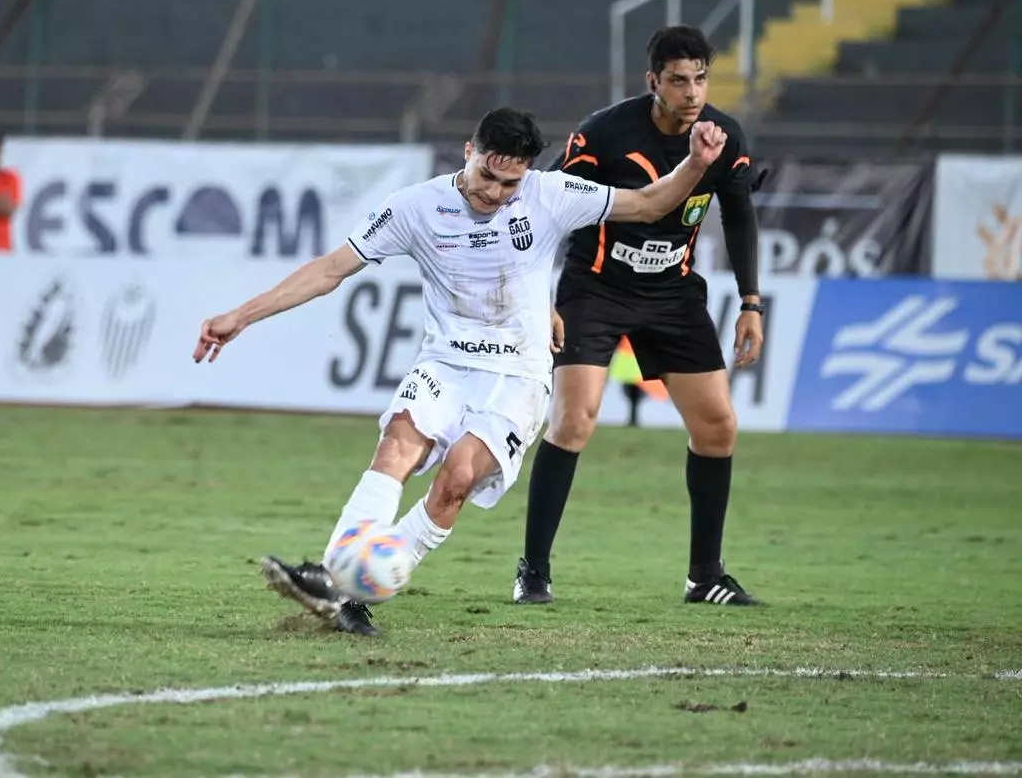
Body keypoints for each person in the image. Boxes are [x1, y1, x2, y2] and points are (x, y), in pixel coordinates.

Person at [193, 106, 728, 636]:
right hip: (446, 361)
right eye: (487, 176)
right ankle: (335, 578)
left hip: (519, 376)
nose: (494, 192)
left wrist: (695, 165)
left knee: (456, 483)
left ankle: (351, 588)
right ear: (468, 153)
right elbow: (332, 268)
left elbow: (648, 202)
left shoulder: (551, 195)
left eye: (509, 183)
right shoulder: (416, 206)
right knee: (397, 446)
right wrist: (241, 315)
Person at [513, 25, 765, 608]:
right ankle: (534, 570)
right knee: (574, 421)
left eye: (700, 78)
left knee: (718, 428)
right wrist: (541, 296)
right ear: (653, 81)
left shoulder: (724, 135)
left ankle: (704, 577)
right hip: (595, 289)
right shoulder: (602, 134)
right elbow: (545, 208)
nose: (692, 92)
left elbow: (741, 217)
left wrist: (750, 302)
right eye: (678, 80)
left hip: (673, 294)